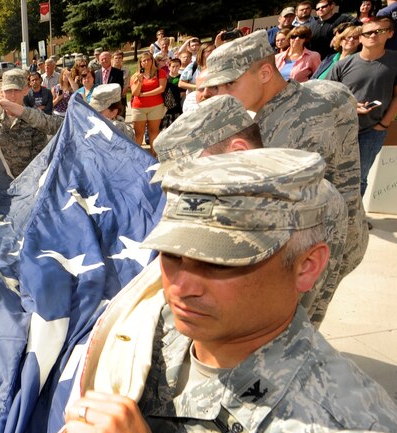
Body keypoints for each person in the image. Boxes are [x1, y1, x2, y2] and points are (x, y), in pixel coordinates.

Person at [70, 148, 397, 433]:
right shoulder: (150, 322)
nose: (181, 286)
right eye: (172, 255)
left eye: (219, 261)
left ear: (307, 266)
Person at [153, 94, 347, 327]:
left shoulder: (303, 201)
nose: (185, 182)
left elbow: (280, 317)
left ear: (238, 151)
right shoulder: (243, 198)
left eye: (193, 168)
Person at [201, 30, 367, 288]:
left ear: (265, 73)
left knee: (293, 326)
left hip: (314, 255)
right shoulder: (324, 90)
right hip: (347, 234)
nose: (221, 94)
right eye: (215, 87)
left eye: (230, 83)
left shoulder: (282, 137)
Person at [327, 15, 397, 196]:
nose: (372, 35)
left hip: (372, 130)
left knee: (359, 177)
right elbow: (328, 96)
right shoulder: (343, 65)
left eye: (380, 31)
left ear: (390, 34)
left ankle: (354, 220)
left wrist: (383, 124)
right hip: (340, 128)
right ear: (360, 37)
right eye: (368, 32)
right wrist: (351, 107)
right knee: (333, 175)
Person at [0, 69, 64, 177]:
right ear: (1, 92)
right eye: (8, 91)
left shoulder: (34, 118)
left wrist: (21, 111)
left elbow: (59, 126)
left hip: (30, 184)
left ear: (25, 90)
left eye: (17, 90)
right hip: (3, 185)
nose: (13, 96)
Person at [129, 51, 167, 151]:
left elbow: (161, 88)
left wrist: (144, 94)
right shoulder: (135, 76)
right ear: (140, 63)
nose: (146, 62)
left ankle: (154, 155)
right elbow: (135, 93)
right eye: (143, 60)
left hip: (156, 106)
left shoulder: (160, 72)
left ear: (152, 60)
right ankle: (136, 155)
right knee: (138, 133)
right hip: (139, 107)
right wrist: (139, 82)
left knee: (153, 131)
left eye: (148, 59)